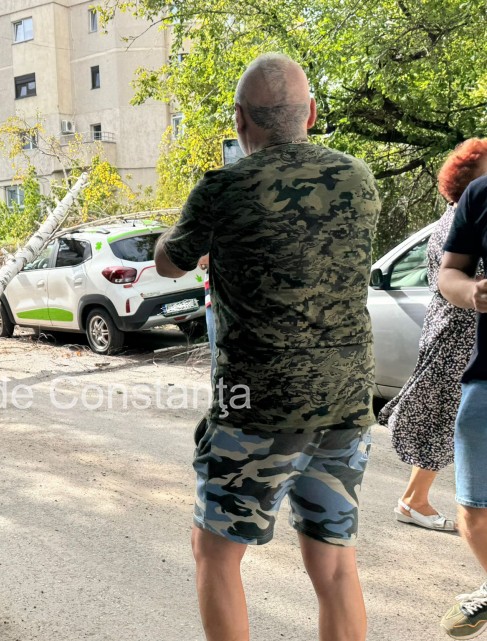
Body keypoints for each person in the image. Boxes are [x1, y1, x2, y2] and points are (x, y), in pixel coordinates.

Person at [154, 53, 380, 641]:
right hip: (346, 402)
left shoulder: (223, 188)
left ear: (240, 121)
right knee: (333, 563)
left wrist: (188, 233)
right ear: (309, 112)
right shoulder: (357, 177)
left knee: (215, 551)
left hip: (257, 408)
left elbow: (169, 260)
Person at [379, 139, 487, 533]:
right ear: (468, 180)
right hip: (455, 332)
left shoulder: (459, 216)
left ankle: (413, 499)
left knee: (446, 419)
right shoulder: (457, 220)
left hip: (460, 332)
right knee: (444, 420)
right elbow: (453, 280)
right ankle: (413, 500)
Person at [437, 171, 487, 638]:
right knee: (473, 507)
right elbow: (448, 273)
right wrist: (471, 291)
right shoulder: (481, 193)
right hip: (485, 378)